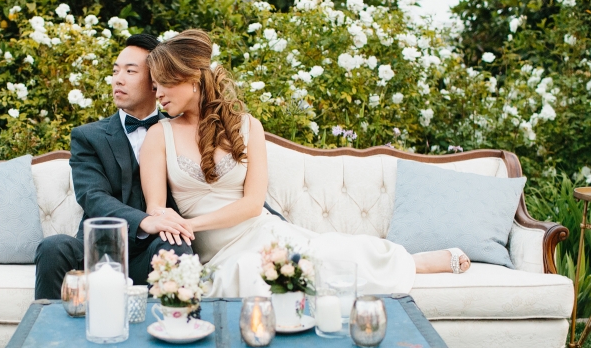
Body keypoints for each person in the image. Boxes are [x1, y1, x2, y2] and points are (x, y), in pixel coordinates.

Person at [138, 29, 470, 298]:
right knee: (251, 273)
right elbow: (156, 208)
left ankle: (413, 262)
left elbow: (254, 205)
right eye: (154, 87)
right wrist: (166, 218)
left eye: (164, 84)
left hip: (260, 231)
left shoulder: (246, 125)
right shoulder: (159, 135)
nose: (159, 95)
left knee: (326, 256)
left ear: (192, 78)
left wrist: (190, 225)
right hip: (217, 252)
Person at [34, 34, 195, 299]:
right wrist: (145, 221)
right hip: (97, 252)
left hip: (153, 251)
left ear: (156, 82)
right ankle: (49, 338)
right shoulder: (88, 136)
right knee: (53, 247)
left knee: (176, 247)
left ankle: (173, 331)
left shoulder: (179, 131)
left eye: (130, 71)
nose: (117, 79)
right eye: (115, 71)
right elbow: (93, 197)